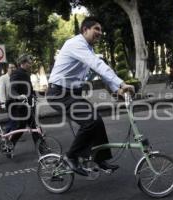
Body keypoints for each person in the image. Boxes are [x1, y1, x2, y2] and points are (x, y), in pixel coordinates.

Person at [46, 16, 134, 176]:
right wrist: (121, 83)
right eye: (97, 29)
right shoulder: (75, 44)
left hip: (72, 93)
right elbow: (97, 64)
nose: (100, 33)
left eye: (101, 30)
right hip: (59, 93)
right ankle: (70, 157)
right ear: (85, 30)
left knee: (97, 121)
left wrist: (117, 90)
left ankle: (99, 159)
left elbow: (101, 73)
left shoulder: (88, 50)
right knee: (90, 121)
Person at [6, 54, 43, 156]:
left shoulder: (25, 73)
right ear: (22, 63)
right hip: (20, 106)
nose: (30, 64)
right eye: (28, 63)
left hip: (28, 104)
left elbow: (28, 88)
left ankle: (41, 148)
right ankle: (9, 146)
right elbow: (12, 89)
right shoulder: (16, 74)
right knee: (20, 128)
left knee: (34, 126)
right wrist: (18, 96)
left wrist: (34, 96)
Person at [0, 63, 17, 133]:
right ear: (7, 69)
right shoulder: (3, 78)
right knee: (13, 119)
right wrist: (3, 104)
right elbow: (1, 91)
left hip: (17, 102)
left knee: (15, 118)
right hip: (9, 102)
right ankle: (8, 132)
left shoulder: (16, 77)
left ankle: (9, 132)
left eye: (14, 67)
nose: (12, 69)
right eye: (10, 67)